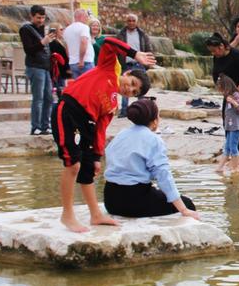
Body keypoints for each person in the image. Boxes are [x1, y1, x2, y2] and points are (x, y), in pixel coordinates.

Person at [51, 37, 156, 232]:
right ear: (127, 73)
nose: (129, 88)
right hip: (68, 110)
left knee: (88, 169)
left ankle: (96, 215)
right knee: (72, 164)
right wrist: (135, 54)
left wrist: (97, 156)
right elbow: (108, 42)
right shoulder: (108, 68)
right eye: (132, 82)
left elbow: (100, 129)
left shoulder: (113, 105)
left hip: (87, 126)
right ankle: (67, 215)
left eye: (134, 91)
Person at [103, 98, 199, 220]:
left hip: (110, 200)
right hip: (134, 201)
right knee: (187, 203)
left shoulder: (121, 134)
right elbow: (163, 176)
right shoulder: (153, 140)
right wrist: (184, 209)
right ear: (154, 121)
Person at [206, 32, 239, 150]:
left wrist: (238, 91)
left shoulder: (238, 55)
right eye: (211, 51)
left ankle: (236, 155)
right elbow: (215, 74)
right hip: (228, 93)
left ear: (221, 47)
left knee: (237, 125)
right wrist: (221, 89)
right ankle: (230, 150)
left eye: (214, 51)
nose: (213, 54)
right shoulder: (217, 57)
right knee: (227, 122)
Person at [19, 5, 55, 135]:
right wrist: (43, 42)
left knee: (49, 98)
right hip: (34, 67)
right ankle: (36, 126)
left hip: (45, 67)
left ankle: (46, 125)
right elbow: (28, 50)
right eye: (38, 18)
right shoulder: (25, 29)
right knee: (38, 98)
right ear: (32, 16)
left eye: (43, 18)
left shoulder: (42, 29)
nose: (41, 20)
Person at [116, 13, 153, 117]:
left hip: (139, 64)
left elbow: (148, 48)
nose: (131, 22)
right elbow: (117, 49)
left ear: (137, 22)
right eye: (129, 20)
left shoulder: (142, 34)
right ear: (126, 22)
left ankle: (142, 110)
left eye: (133, 20)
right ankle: (124, 111)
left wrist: (147, 63)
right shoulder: (121, 35)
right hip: (126, 64)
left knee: (140, 88)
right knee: (125, 87)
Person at [215, 75, 239, 173]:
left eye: (222, 89)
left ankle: (235, 168)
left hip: (236, 126)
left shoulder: (236, 95)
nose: (221, 91)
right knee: (227, 148)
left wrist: (233, 102)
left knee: (233, 147)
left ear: (226, 86)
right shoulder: (227, 97)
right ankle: (219, 168)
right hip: (230, 127)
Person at [63, 9, 95, 80]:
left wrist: (71, 59)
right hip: (85, 61)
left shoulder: (66, 30)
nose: (87, 19)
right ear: (82, 16)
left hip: (73, 63)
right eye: (86, 17)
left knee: (78, 87)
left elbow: (67, 48)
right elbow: (83, 42)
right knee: (88, 86)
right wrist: (81, 60)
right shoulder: (84, 27)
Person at [48, 24, 70, 97]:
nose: (62, 31)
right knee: (59, 90)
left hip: (61, 70)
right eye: (60, 29)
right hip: (58, 70)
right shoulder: (53, 43)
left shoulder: (60, 42)